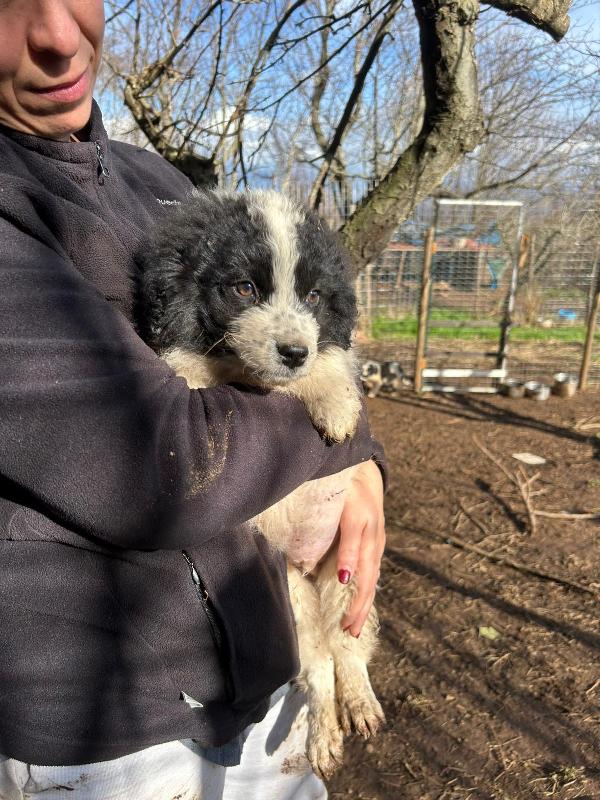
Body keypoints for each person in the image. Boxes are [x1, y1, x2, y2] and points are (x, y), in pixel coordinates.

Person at [0, 2, 386, 799]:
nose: (58, 35)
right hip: (112, 732)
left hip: (261, 683)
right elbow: (166, 461)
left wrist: (365, 461)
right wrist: (335, 438)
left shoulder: (159, 182)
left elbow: (308, 343)